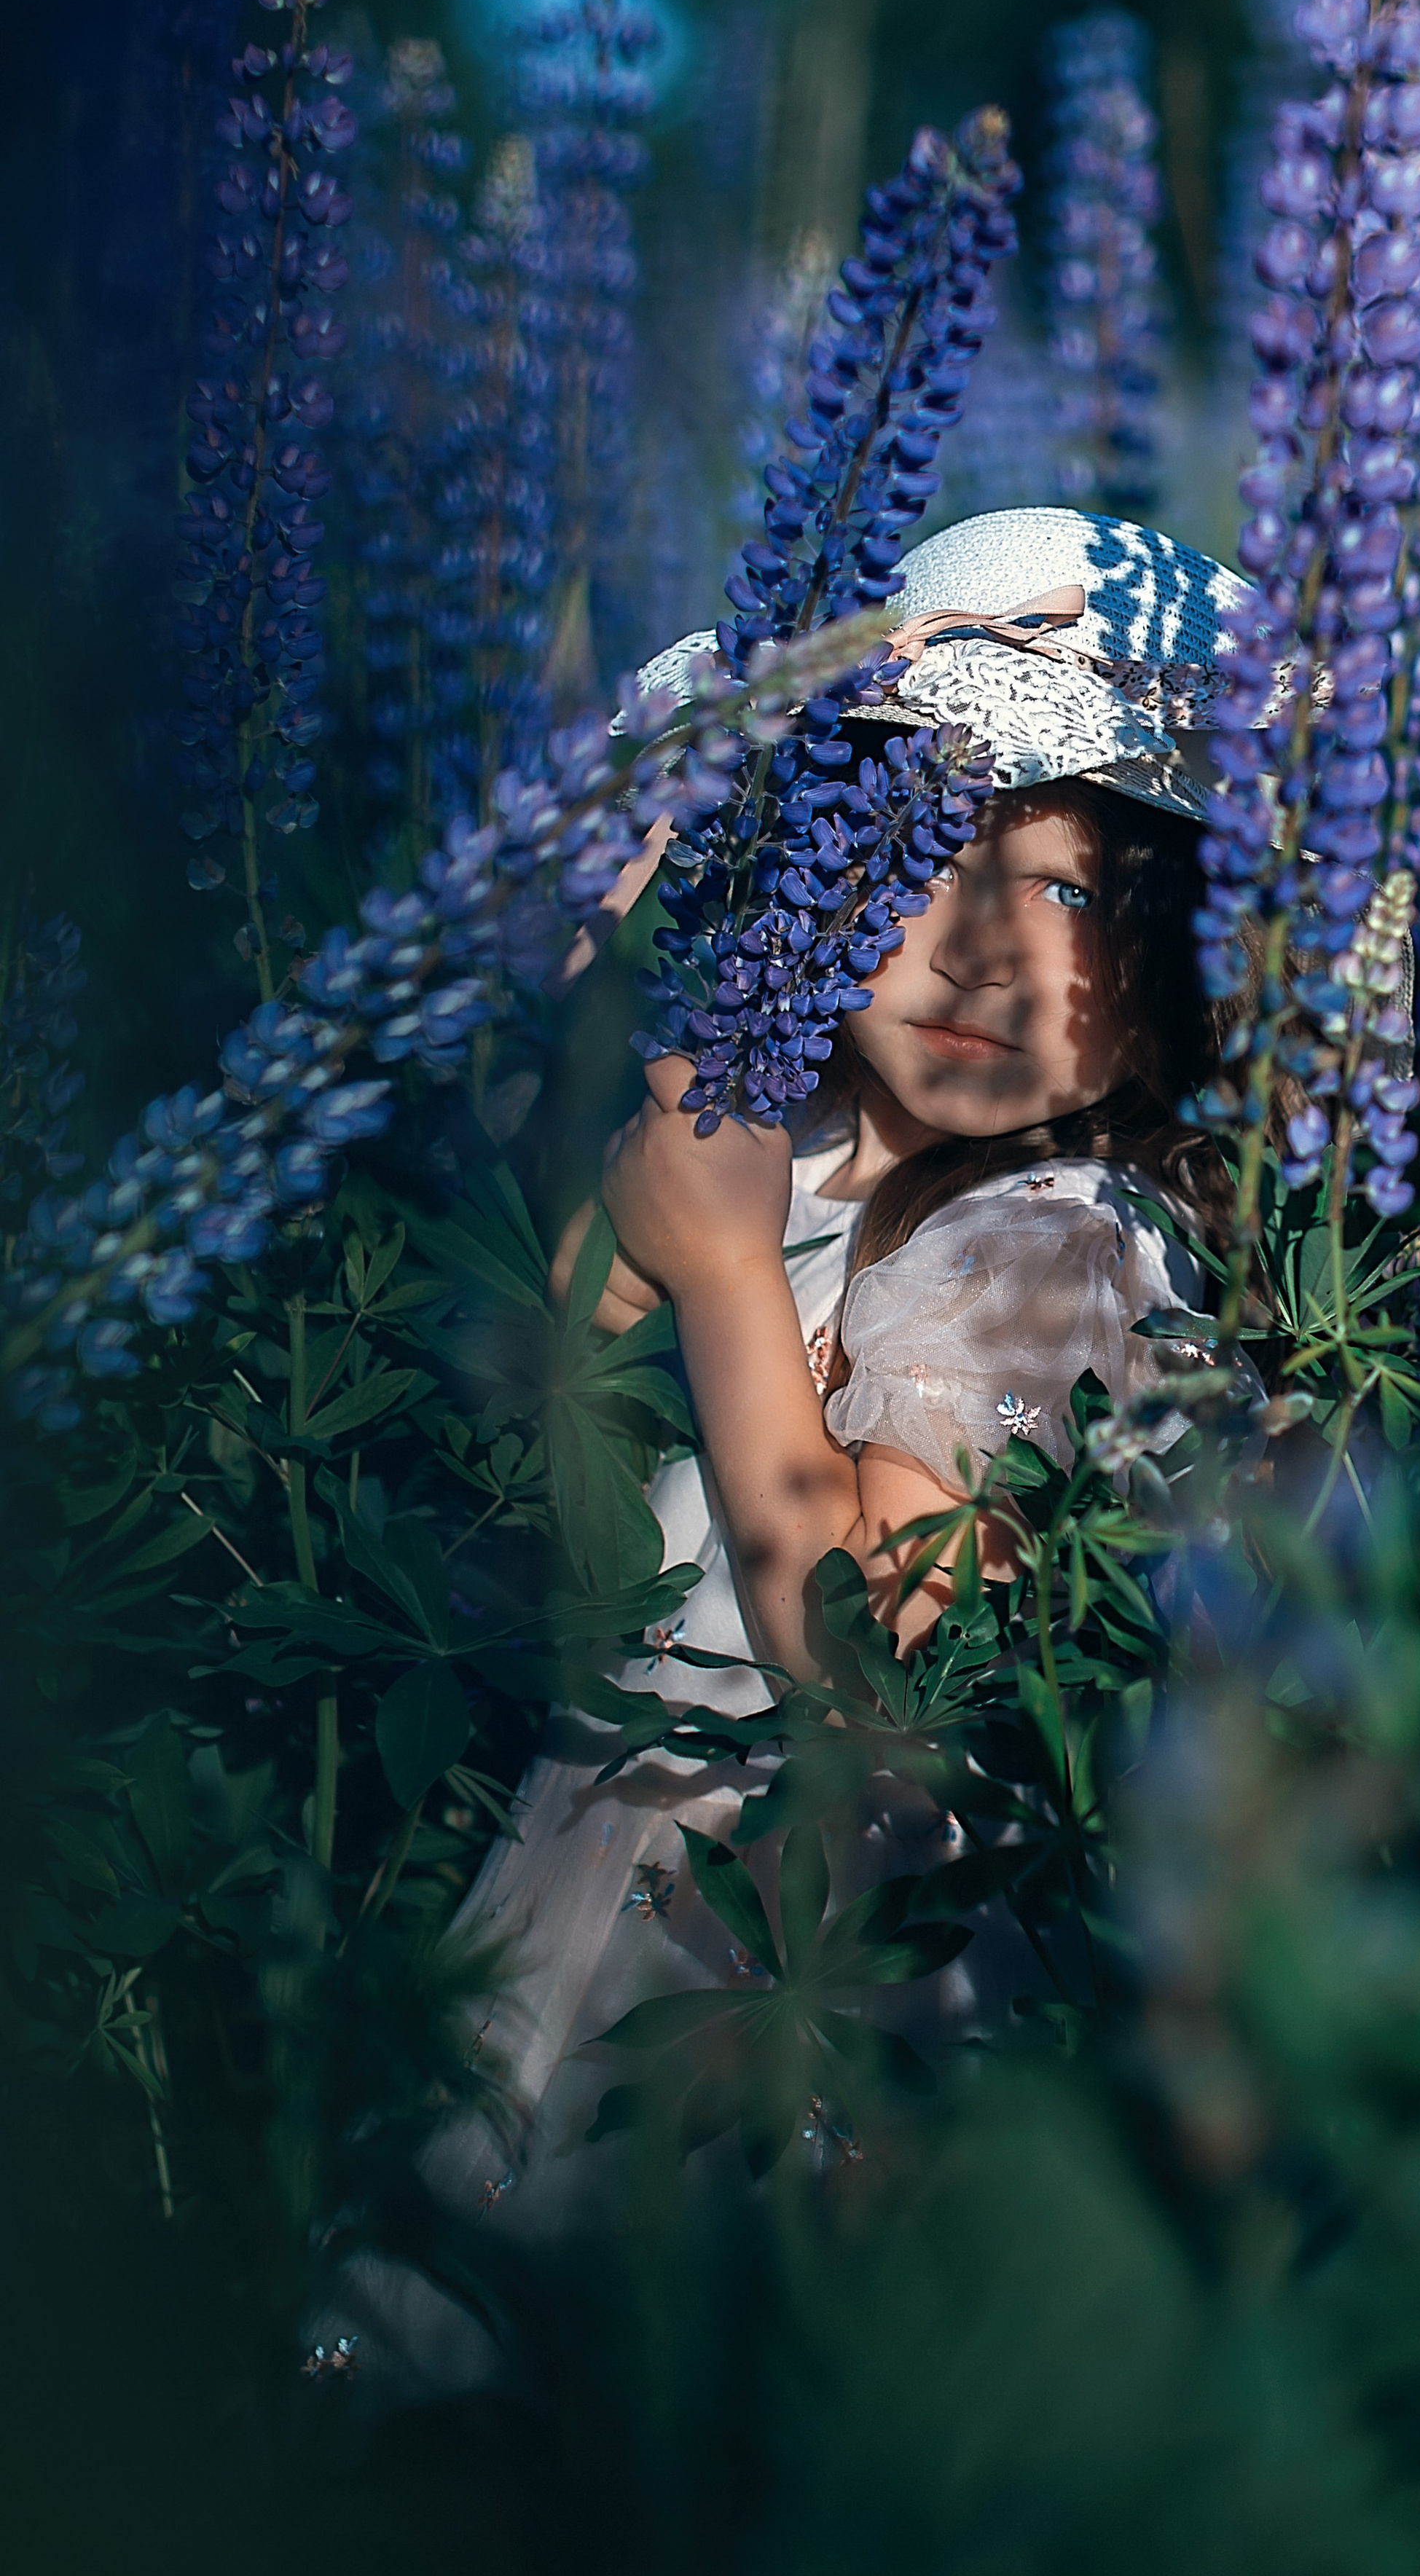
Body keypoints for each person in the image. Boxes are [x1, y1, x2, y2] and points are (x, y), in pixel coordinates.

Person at [306, 508, 1255, 2399]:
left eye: (1075, 898)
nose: (985, 951)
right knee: (441, 2393)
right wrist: (644, 978)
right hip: (606, 1864)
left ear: (1178, 973)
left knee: (690, 2419)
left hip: (808, 1953)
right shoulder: (804, 1124)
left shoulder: (1062, 1252)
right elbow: (569, 1330)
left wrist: (735, 1271)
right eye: (934, 853)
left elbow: (889, 1660)